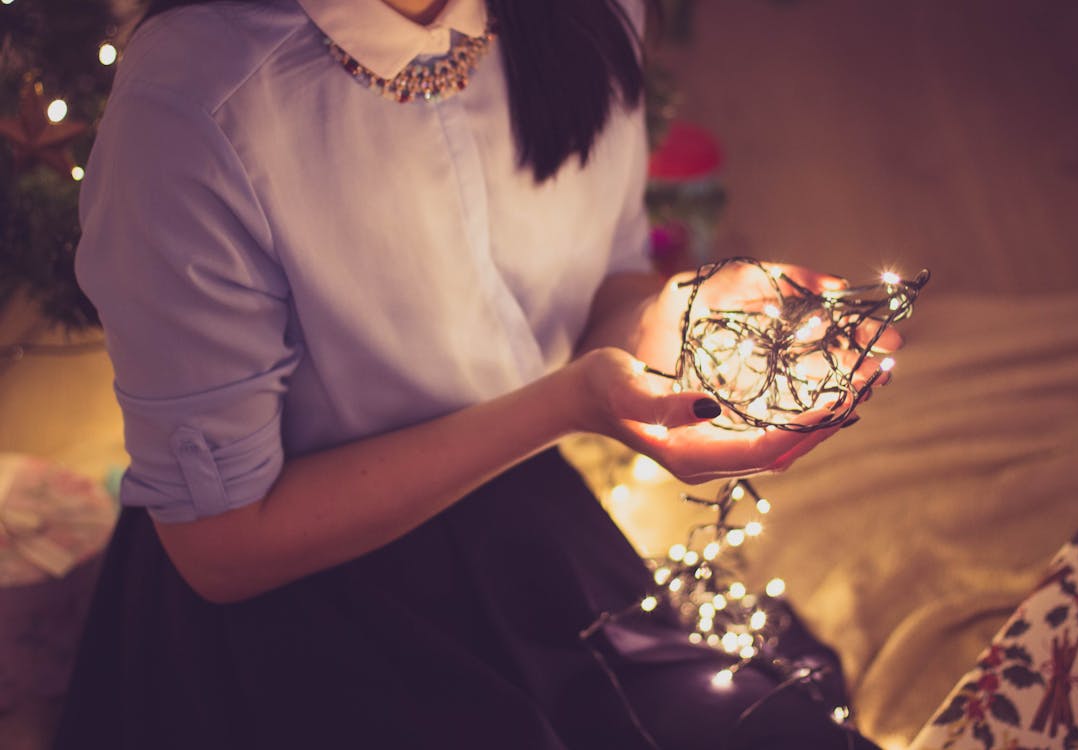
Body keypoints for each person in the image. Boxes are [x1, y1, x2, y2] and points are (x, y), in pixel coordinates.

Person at [56, 0, 890, 747]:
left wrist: (689, 319)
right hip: (294, 608)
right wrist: (567, 405)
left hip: (523, 522)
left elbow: (606, 283)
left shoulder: (589, 16)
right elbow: (222, 551)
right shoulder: (195, 105)